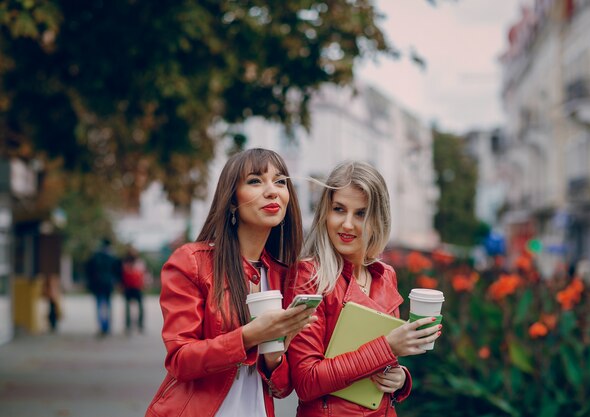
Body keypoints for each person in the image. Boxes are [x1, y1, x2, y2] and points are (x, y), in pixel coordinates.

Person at [145, 148, 316, 417]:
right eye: (255, 181)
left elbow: (282, 388)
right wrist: (250, 336)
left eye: (280, 181)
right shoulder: (192, 262)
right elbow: (180, 360)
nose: (272, 191)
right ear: (233, 200)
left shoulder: (286, 276)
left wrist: (275, 356)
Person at [287, 161, 442, 416]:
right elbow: (306, 381)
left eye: (361, 213)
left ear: (377, 220)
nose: (347, 224)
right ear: (326, 211)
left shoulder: (384, 275)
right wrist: (387, 348)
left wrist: (400, 379)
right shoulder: (310, 275)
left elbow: (382, 365)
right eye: (339, 209)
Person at [86, 238, 122, 337]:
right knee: (108, 305)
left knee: (99, 305)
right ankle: (108, 326)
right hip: (108, 284)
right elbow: (117, 271)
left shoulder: (95, 256)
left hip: (97, 284)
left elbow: (89, 270)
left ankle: (102, 326)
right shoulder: (112, 257)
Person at [121, 246, 146, 334]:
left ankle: (135, 325)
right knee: (136, 307)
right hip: (133, 287)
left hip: (133, 287)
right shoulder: (137, 262)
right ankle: (136, 325)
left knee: (136, 307)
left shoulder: (126, 262)